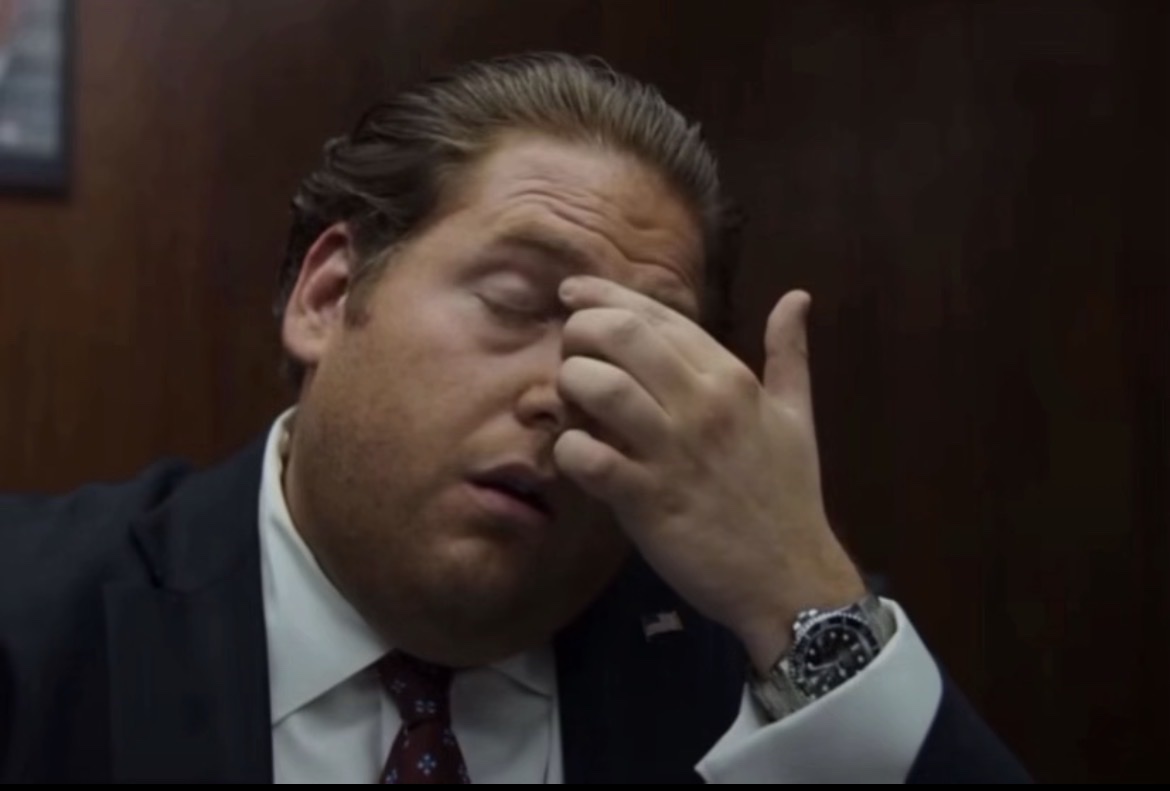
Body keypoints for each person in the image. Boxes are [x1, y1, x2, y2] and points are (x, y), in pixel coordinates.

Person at [0, 52, 1030, 784]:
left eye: (630, 351)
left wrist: (801, 591)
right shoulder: (33, 618)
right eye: (514, 301)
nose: (567, 391)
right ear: (328, 295)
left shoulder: (765, 665)